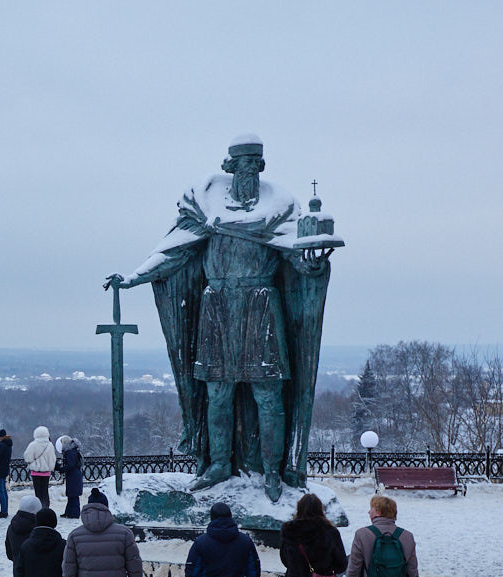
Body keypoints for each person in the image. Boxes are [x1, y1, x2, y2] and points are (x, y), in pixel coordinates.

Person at [109, 136, 335, 501]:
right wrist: (135, 276)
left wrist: (313, 261)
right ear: (229, 167)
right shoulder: (204, 203)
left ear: (261, 167)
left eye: (254, 163)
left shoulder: (279, 206)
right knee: (217, 394)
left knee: (268, 394)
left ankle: (272, 471)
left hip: (261, 305)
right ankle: (217, 465)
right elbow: (174, 252)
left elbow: (298, 258)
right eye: (242, 164)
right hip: (217, 308)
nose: (248, 169)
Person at [23, 426, 56, 509]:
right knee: (45, 491)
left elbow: (27, 457)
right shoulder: (50, 445)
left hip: (36, 472)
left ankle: (39, 508)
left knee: (38, 492)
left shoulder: (33, 445)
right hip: (46, 473)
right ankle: (46, 507)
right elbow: (53, 459)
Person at [58, 436, 84, 519]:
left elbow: (70, 465)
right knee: (72, 495)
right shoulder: (74, 451)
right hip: (75, 475)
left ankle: (74, 513)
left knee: (73, 495)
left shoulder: (70, 452)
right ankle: (69, 512)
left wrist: (62, 469)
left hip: (73, 475)